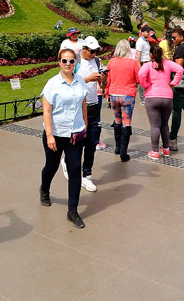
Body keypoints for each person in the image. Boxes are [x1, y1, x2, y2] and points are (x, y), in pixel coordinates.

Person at [39, 48, 88, 229]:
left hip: (75, 133)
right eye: (64, 61)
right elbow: (47, 111)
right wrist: (50, 135)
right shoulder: (53, 84)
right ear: (59, 62)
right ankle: (44, 188)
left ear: (76, 63)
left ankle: (72, 211)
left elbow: (83, 103)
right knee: (51, 166)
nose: (68, 64)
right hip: (56, 133)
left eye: (71, 61)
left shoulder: (80, 81)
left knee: (75, 169)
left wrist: (85, 125)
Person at [71, 37, 104, 192]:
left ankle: (87, 174)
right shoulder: (75, 61)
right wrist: (88, 79)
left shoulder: (97, 61)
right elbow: (69, 81)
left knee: (92, 142)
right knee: (78, 141)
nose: (93, 54)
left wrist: (103, 80)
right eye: (91, 51)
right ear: (84, 49)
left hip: (94, 104)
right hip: (78, 106)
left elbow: (101, 84)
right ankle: (73, 168)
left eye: (96, 51)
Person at [139, 45, 183, 159]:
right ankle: (166, 149)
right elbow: (180, 69)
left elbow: (140, 74)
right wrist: (174, 82)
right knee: (164, 124)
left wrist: (145, 85)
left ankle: (154, 151)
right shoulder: (167, 63)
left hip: (152, 96)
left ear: (151, 55)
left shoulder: (148, 65)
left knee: (155, 125)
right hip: (167, 97)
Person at [105, 39, 139, 161]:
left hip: (114, 94)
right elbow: (138, 79)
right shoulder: (133, 62)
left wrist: (107, 92)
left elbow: (107, 78)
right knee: (127, 122)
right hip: (128, 95)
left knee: (117, 121)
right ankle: (123, 153)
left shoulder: (112, 61)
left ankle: (117, 147)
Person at [133, 26, 151, 105]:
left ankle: (147, 96)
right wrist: (139, 66)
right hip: (143, 63)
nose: (148, 33)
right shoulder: (140, 41)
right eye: (147, 32)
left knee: (147, 80)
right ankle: (142, 99)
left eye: (149, 32)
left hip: (147, 62)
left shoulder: (146, 41)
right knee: (141, 82)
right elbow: (138, 55)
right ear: (142, 32)